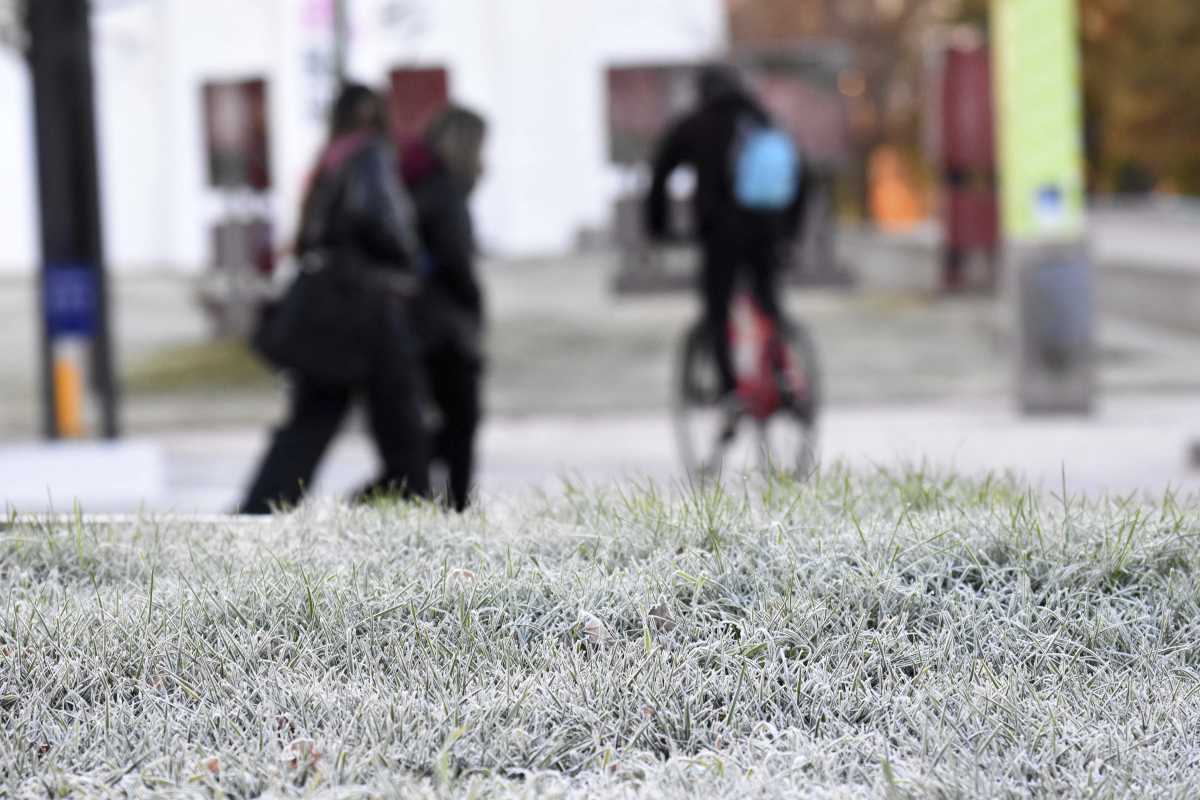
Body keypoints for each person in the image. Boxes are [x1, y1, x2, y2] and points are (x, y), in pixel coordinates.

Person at [239, 84, 430, 514]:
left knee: (310, 423)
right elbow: (384, 226)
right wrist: (408, 264)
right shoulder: (370, 156)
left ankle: (258, 513)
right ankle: (397, 509)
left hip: (330, 310)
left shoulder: (330, 158)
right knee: (401, 433)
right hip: (369, 309)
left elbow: (309, 238)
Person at [645, 63, 808, 428]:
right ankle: (783, 376)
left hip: (720, 234)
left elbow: (660, 176)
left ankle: (730, 391)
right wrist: (790, 233)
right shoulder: (763, 120)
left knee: (717, 309)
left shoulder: (696, 124)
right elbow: (799, 173)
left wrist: (659, 230)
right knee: (768, 303)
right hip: (768, 230)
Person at [397, 105, 489, 511]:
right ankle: (457, 512)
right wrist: (475, 301)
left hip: (417, 323)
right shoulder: (445, 193)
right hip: (445, 328)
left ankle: (418, 499)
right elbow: (456, 262)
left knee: (435, 431)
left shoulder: (417, 187)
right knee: (461, 427)